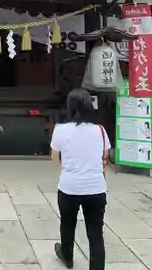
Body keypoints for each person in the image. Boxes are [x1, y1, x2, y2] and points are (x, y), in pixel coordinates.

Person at [50, 88, 111, 270]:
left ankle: (67, 256)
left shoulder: (61, 130)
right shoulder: (100, 131)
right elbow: (105, 157)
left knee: (67, 223)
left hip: (70, 187)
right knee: (95, 231)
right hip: (96, 188)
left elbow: (55, 158)